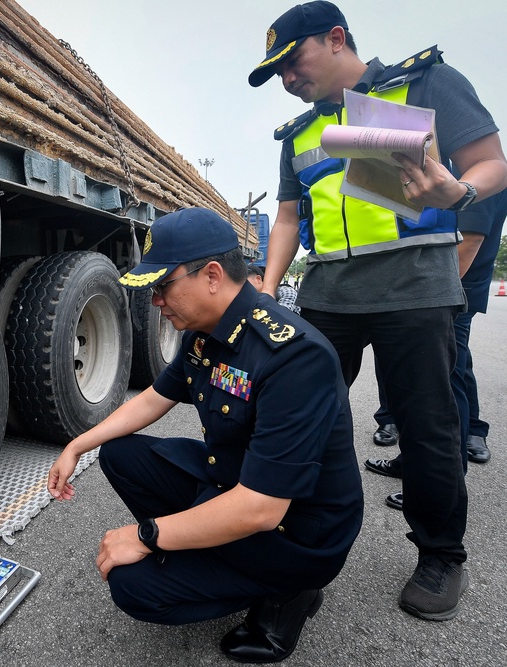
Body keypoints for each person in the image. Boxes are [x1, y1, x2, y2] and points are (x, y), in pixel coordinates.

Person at [250, 1, 507, 621]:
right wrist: (268, 282)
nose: (287, 79)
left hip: (413, 291)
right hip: (328, 296)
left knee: (428, 431)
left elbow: (493, 162)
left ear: (336, 39)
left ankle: (441, 556)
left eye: (293, 61)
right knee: (303, 422)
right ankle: (299, 548)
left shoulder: (420, 84)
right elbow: (287, 218)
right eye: (276, 72)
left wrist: (461, 190)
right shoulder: (302, 133)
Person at [47, 208, 363, 663]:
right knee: (118, 454)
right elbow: (154, 398)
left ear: (212, 276)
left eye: (162, 287)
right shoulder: (205, 332)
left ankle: (288, 593)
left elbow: (261, 507)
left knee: (131, 587)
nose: (156, 301)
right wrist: (78, 445)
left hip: (293, 531)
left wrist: (149, 535)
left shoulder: (294, 356)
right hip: (235, 484)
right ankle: (212, 551)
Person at [366, 188, 507, 505]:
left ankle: (439, 488)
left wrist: (433, 297)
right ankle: (416, 465)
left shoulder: (472, 169)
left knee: (443, 386)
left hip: (445, 289)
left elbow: (469, 237)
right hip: (436, 288)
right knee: (423, 380)